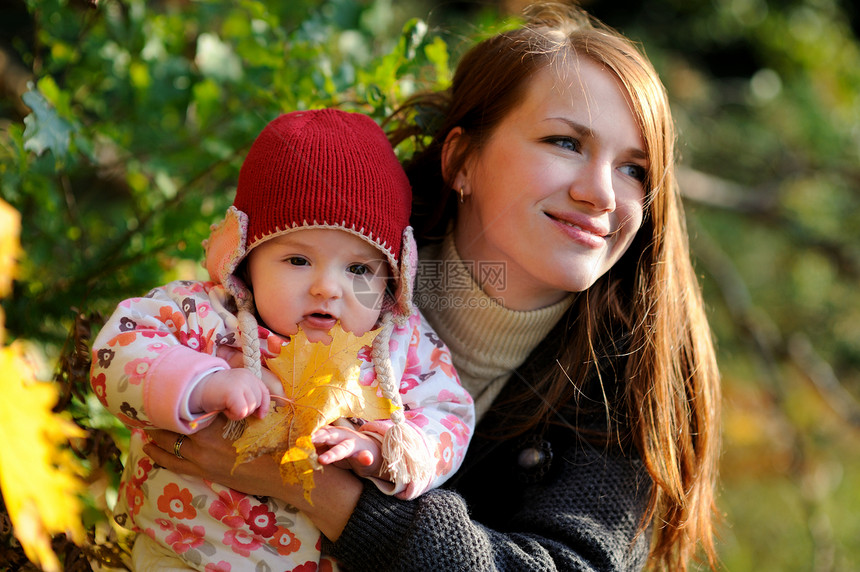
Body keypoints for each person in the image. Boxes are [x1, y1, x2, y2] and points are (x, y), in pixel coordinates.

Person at [141, 3, 721, 570]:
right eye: (565, 143)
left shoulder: (631, 377)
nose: (602, 193)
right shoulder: (322, 256)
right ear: (461, 159)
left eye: (634, 169)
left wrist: (320, 492)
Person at [90, 109, 475, 571]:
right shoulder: (210, 315)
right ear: (245, 257)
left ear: (395, 276)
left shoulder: (398, 346)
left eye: (358, 269)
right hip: (183, 548)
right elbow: (119, 351)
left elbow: (449, 413)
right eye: (297, 260)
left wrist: (382, 451)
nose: (327, 288)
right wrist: (205, 384)